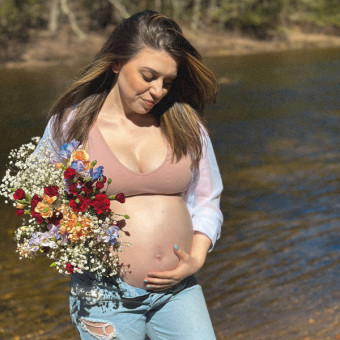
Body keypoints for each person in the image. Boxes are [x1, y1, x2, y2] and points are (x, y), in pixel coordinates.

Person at [38, 10, 223, 340]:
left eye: (168, 82)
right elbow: (41, 199)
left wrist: (196, 257)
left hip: (177, 290)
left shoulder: (186, 125)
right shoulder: (70, 125)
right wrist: (66, 235)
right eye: (148, 76)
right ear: (116, 63)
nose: (158, 91)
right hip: (103, 296)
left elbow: (208, 200)